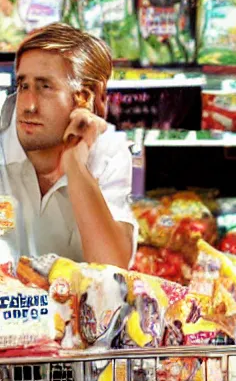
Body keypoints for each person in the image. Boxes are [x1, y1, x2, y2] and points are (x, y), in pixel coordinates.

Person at [0, 22, 137, 269]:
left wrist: (75, 163)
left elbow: (113, 269)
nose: (28, 105)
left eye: (45, 87)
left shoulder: (107, 154)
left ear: (85, 99)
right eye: (23, 86)